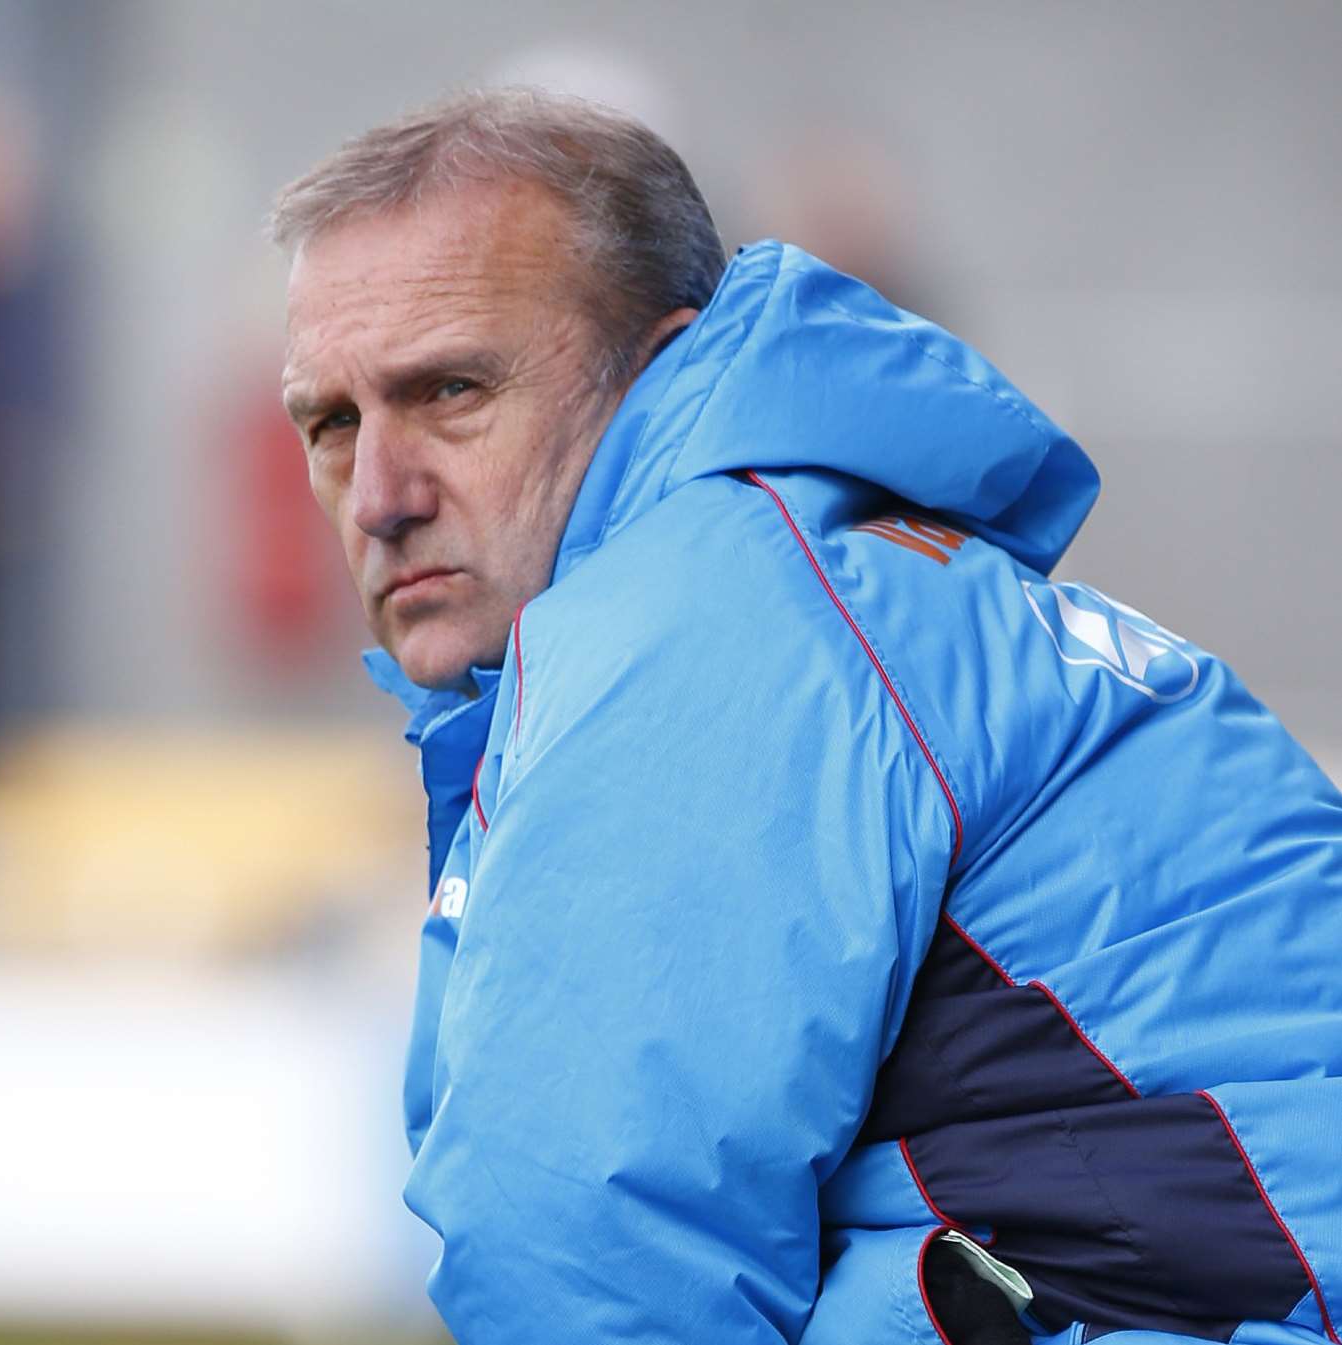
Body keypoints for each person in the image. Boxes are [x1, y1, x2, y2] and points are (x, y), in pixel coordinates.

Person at [271, 89, 1342, 1345]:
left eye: (450, 389)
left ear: (655, 365)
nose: (379, 495)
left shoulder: (706, 614)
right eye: (332, 423)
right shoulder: (834, 570)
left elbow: (590, 1255)